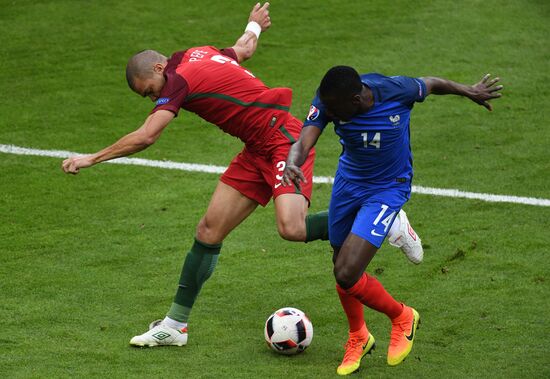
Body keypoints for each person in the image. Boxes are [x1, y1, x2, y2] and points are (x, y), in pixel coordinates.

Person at [61, 3, 420, 348]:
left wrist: (92, 158)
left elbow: (147, 135)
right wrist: (254, 26)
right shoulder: (196, 53)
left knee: (291, 229)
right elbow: (242, 49)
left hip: (283, 140)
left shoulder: (176, 79)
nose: (153, 99)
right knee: (208, 230)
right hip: (255, 147)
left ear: (158, 69)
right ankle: (175, 325)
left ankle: (383, 221)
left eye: (150, 92)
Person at [282, 66, 502, 375]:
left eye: (334, 109)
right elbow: (304, 141)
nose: (328, 113)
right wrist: (293, 162)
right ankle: (358, 336)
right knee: (340, 263)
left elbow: (432, 83)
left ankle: (402, 316)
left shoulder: (395, 90)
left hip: (388, 187)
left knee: (346, 272)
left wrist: (469, 90)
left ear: (357, 99)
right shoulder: (328, 100)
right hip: (349, 183)